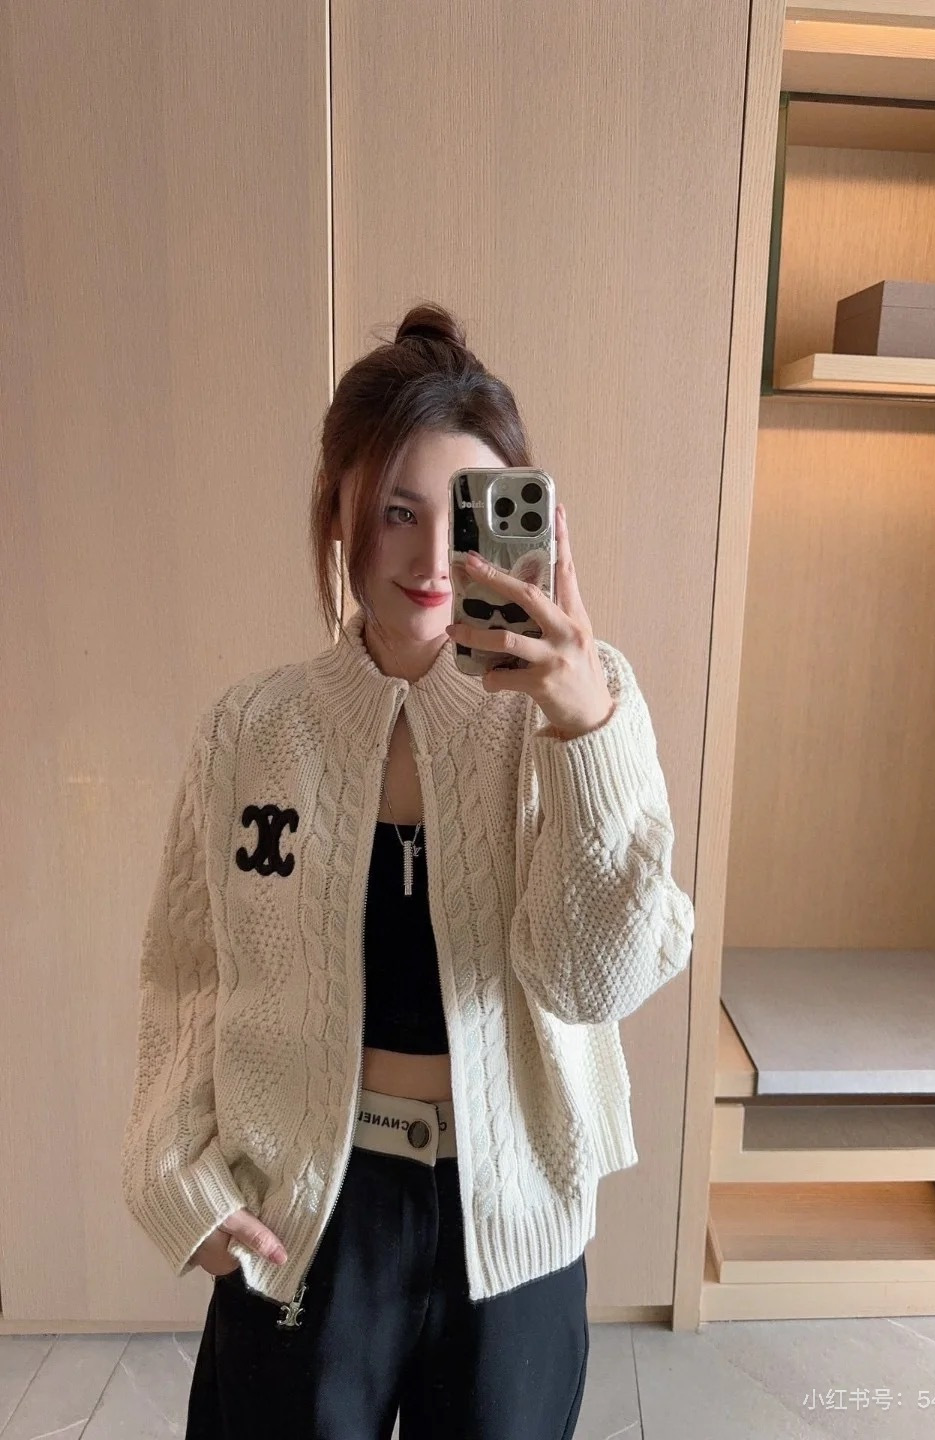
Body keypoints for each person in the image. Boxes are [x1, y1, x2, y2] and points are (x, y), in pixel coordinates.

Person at [120, 303, 695, 1440]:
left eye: (464, 514)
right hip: (307, 1207)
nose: (434, 562)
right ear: (339, 511)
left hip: (512, 1212)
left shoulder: (584, 705)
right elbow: (187, 975)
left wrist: (584, 732)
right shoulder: (251, 729)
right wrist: (177, 1180)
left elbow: (593, 981)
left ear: (524, 520)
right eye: (396, 511)